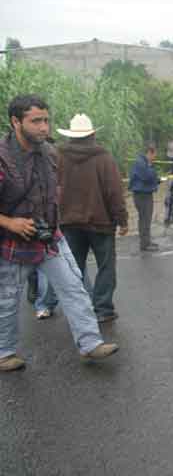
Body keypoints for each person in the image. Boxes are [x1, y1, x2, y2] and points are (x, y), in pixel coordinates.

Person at [0, 94, 118, 371]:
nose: (44, 127)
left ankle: (90, 344)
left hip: (49, 236)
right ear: (16, 121)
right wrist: (10, 223)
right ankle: (4, 353)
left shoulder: (49, 152)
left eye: (46, 120)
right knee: (7, 299)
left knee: (74, 286)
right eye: (36, 121)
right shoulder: (2, 158)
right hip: (13, 242)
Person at [56, 113, 129, 323]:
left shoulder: (58, 157)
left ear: (70, 135)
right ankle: (103, 309)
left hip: (69, 222)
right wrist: (122, 219)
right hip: (100, 223)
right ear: (92, 134)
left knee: (74, 269)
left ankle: (79, 310)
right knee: (105, 267)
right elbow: (114, 192)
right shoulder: (103, 157)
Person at [129, 142, 161, 252]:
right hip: (142, 195)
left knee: (145, 219)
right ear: (149, 153)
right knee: (145, 219)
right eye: (154, 155)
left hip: (144, 194)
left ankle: (147, 241)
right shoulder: (141, 163)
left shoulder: (142, 162)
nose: (154, 158)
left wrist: (157, 180)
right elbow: (148, 176)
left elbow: (149, 177)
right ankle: (145, 244)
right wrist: (152, 168)